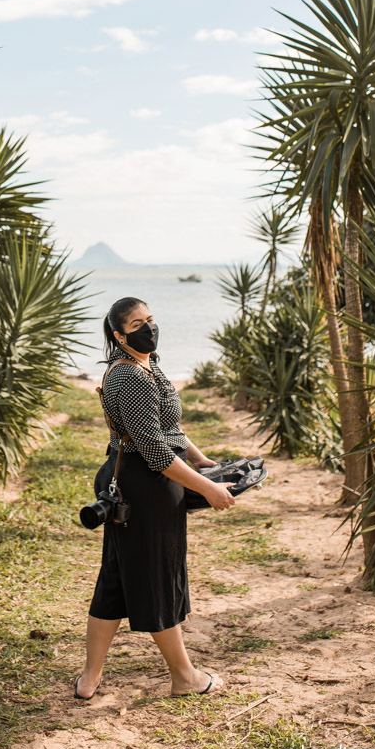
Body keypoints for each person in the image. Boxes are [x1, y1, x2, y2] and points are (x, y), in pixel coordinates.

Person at [75, 296, 235, 701]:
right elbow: (156, 452)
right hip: (143, 487)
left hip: (142, 481)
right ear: (118, 335)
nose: (148, 327)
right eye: (136, 324)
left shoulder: (149, 365)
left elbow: (170, 427)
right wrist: (207, 488)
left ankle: (88, 679)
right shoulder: (127, 377)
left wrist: (200, 461)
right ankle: (185, 677)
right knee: (157, 578)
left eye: (150, 319)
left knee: (115, 581)